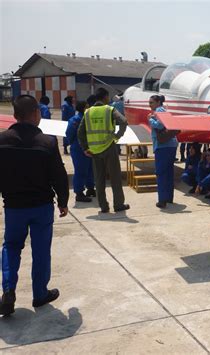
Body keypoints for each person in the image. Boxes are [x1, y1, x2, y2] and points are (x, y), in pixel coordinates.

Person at [0, 95, 69, 316]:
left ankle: (8, 290)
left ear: (15, 116)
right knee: (40, 250)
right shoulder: (47, 142)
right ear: (36, 114)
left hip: (14, 206)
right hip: (41, 207)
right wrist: (63, 202)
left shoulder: (2, 140)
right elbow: (59, 175)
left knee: (11, 247)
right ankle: (40, 294)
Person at [77, 88, 129, 213]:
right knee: (115, 177)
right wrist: (117, 136)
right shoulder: (109, 109)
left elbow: (80, 132)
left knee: (99, 180)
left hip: (94, 151)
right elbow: (124, 121)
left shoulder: (88, 112)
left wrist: (85, 148)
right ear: (105, 97)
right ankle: (118, 205)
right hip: (109, 147)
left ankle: (104, 206)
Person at [148, 94, 178, 209]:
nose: (149, 105)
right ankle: (168, 197)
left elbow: (160, 126)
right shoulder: (164, 110)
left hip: (163, 146)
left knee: (161, 173)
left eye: (151, 102)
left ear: (158, 102)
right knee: (168, 173)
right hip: (170, 145)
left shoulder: (158, 111)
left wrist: (150, 119)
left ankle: (162, 200)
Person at [66, 101, 96, 203]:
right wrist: (74, 144)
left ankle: (90, 188)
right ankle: (79, 193)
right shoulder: (75, 120)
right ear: (83, 108)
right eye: (87, 107)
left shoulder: (89, 118)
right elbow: (69, 134)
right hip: (78, 149)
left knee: (90, 169)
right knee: (80, 171)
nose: (89, 108)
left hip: (90, 147)